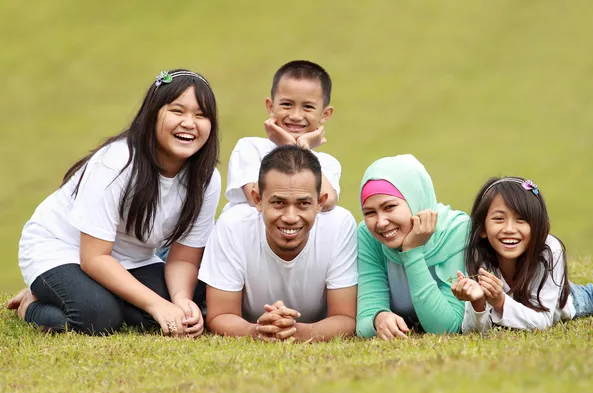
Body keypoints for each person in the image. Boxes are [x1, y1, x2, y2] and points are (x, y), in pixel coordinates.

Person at [6, 69, 220, 337]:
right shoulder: (117, 163)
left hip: (131, 258)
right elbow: (94, 257)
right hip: (64, 248)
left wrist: (179, 300)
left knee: (199, 299)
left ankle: (78, 292)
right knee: (98, 316)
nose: (189, 123)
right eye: (178, 111)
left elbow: (184, 259)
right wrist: (157, 304)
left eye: (201, 115)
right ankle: (32, 304)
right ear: (152, 113)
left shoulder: (206, 179)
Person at [199, 145, 357, 342]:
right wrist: (255, 331)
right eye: (278, 203)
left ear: (320, 202)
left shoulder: (340, 225)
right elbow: (220, 315)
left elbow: (345, 318)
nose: (290, 217)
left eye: (303, 204)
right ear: (257, 199)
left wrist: (291, 331)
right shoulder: (232, 225)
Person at [451, 177, 593, 332]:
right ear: (482, 228)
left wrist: (500, 301)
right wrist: (478, 302)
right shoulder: (478, 255)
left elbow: (543, 321)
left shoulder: (549, 250)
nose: (509, 228)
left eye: (521, 219)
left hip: (566, 298)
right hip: (525, 300)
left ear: (540, 228)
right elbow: (473, 332)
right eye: (499, 218)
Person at [356, 155, 470, 340]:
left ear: (415, 199)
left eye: (389, 207)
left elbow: (446, 328)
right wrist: (379, 318)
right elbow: (363, 323)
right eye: (369, 212)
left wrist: (412, 252)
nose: (381, 222)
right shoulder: (368, 235)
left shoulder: (457, 230)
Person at [222, 60, 341, 213]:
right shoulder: (250, 148)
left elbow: (328, 200)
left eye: (308, 107)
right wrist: (290, 148)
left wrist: (300, 150)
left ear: (325, 114)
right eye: (287, 104)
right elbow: (257, 197)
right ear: (270, 107)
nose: (296, 116)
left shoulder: (326, 163)